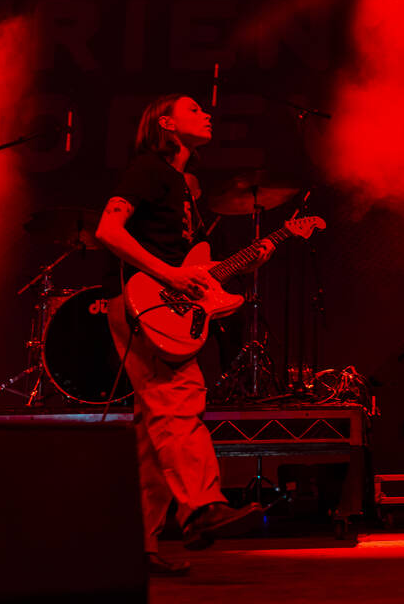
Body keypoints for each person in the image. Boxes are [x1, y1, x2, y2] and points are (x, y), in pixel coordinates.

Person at [95, 94, 272, 576]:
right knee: (178, 401)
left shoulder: (181, 185)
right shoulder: (149, 169)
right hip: (146, 308)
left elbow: (190, 264)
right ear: (166, 123)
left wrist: (239, 262)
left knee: (153, 439)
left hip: (162, 307)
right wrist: (169, 277)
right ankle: (201, 506)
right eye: (194, 109)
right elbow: (108, 230)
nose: (207, 114)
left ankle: (140, 546)